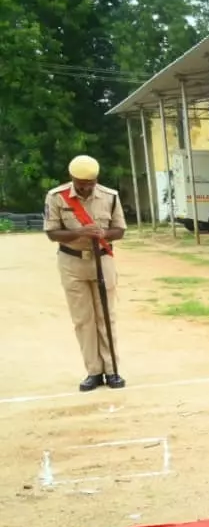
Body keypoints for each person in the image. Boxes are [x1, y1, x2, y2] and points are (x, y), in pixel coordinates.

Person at [43, 155, 127, 391]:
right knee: (83, 319)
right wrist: (80, 231)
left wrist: (102, 233)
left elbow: (119, 230)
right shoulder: (56, 197)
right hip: (72, 262)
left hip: (102, 260)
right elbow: (52, 233)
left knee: (105, 317)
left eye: (90, 183)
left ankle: (112, 371)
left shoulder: (110, 197)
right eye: (81, 183)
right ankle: (93, 371)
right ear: (72, 179)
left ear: (96, 179)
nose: (85, 187)